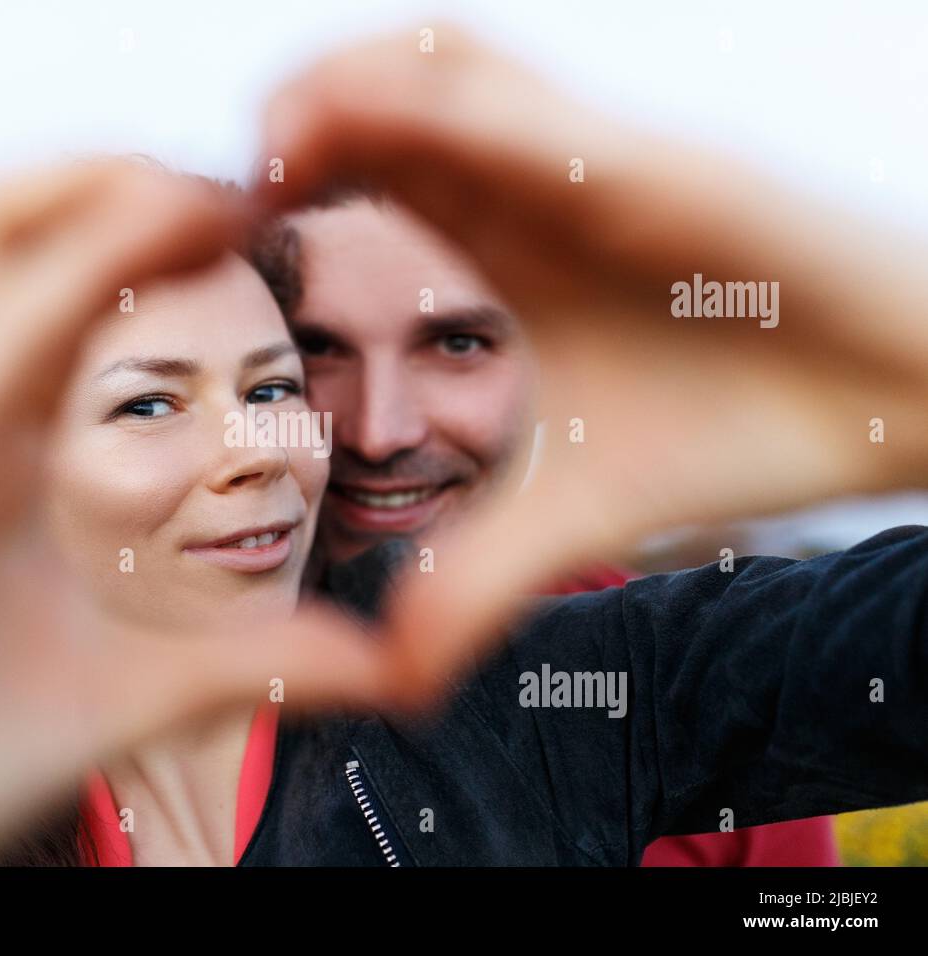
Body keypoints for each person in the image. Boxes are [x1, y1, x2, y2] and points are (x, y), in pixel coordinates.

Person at [0, 29, 928, 865]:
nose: (266, 451)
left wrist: (898, 351)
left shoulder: (526, 695)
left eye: (267, 384)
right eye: (149, 403)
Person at [250, 188, 839, 865]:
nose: (378, 432)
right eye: (314, 348)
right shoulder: (153, 695)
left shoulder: (689, 685)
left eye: (458, 343)